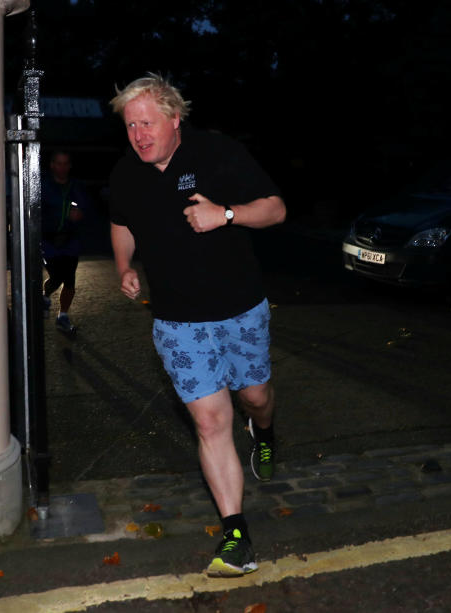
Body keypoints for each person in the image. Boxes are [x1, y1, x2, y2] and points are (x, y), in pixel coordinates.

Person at [108, 73, 286, 577]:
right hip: (177, 321)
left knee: (254, 397)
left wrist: (225, 214)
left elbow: (275, 210)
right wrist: (124, 266)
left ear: (174, 119)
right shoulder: (126, 173)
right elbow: (120, 223)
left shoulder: (217, 152)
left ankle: (267, 430)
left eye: (147, 123)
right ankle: (236, 535)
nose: (139, 134)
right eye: (130, 126)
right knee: (211, 422)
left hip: (241, 308)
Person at [41, 150, 91, 334]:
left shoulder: (76, 186)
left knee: (69, 279)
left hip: (71, 239)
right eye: (58, 163)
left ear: (69, 166)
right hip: (48, 240)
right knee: (57, 276)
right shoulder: (43, 185)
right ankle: (45, 295)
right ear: (52, 165)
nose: (61, 167)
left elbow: (87, 208)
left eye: (65, 163)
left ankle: (63, 316)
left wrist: (81, 214)